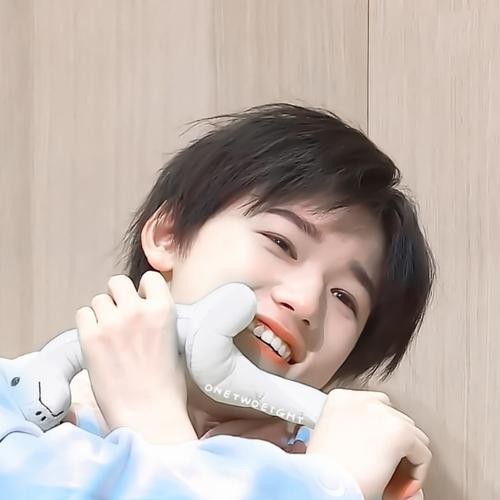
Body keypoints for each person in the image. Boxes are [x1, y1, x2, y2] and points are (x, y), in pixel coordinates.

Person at [0, 103, 434, 499]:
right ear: (168, 235)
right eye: (281, 242)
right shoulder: (17, 414)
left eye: (344, 297)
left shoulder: (362, 468)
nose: (305, 302)